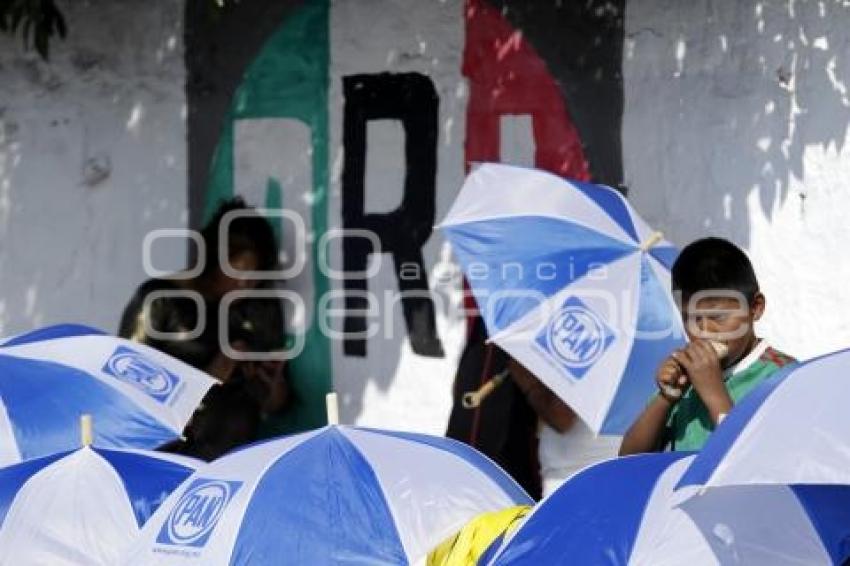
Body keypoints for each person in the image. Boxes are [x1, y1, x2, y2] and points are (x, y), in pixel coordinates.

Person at [119, 197, 290, 459]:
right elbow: (128, 392)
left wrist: (272, 385)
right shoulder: (160, 300)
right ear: (215, 257)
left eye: (256, 278)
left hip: (235, 464)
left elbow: (275, 404)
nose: (246, 285)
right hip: (170, 461)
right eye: (240, 271)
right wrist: (210, 376)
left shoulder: (255, 310)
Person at [619, 237, 795, 455]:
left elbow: (754, 463)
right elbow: (629, 459)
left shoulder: (784, 377)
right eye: (691, 319)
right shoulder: (687, 377)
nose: (704, 331)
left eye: (718, 316)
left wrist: (714, 394)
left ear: (755, 308)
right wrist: (667, 398)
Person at [508, 358, 620, 497]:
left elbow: (561, 417)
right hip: (609, 470)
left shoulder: (590, 343)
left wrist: (528, 383)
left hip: (574, 478)